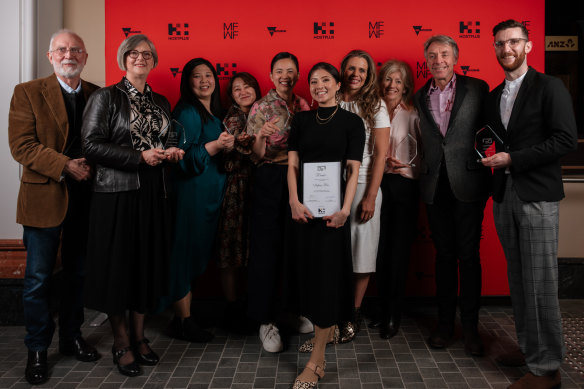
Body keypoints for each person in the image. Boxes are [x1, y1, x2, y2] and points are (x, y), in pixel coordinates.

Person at [482, 20, 577, 389]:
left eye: (514, 42)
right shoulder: (493, 96)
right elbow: (493, 142)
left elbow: (566, 139)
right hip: (504, 197)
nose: (507, 49)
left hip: (537, 197)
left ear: (529, 46)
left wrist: (513, 159)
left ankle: (547, 368)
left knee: (540, 283)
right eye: (500, 44)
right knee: (519, 281)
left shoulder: (549, 86)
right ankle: (530, 348)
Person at [82, 34, 184, 377]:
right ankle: (121, 341)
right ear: (123, 59)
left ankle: (141, 338)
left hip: (153, 193)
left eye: (146, 54)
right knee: (118, 269)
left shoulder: (162, 102)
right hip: (116, 194)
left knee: (145, 264)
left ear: (153, 61)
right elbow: (92, 146)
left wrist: (172, 153)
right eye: (133, 53)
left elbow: (166, 140)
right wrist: (138, 156)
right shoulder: (105, 97)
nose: (140, 58)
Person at [8, 29, 100, 385]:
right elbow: (22, 145)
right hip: (44, 196)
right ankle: (37, 349)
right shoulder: (27, 92)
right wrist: (65, 164)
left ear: (85, 57)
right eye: (61, 49)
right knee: (37, 280)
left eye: (76, 49)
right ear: (50, 56)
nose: (69, 54)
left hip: (86, 198)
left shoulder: (97, 94)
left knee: (78, 275)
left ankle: (72, 337)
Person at [286, 62, 365, 388]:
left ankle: (316, 360)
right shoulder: (301, 120)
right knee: (309, 277)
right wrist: (293, 200)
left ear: (337, 85)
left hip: (334, 216)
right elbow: (292, 165)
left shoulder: (352, 122)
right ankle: (324, 332)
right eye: (314, 81)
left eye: (325, 80)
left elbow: (353, 171)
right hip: (303, 212)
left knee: (327, 280)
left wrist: (346, 210)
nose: (319, 86)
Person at [413, 35, 491, 355]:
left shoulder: (477, 88)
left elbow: (491, 129)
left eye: (444, 54)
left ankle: (471, 328)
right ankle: (445, 325)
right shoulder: (419, 96)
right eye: (432, 56)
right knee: (444, 257)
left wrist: (483, 154)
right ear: (426, 61)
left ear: (456, 58)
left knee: (469, 256)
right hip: (434, 185)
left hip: (468, 183)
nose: (439, 60)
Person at [164, 58, 234, 342]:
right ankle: (182, 322)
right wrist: (215, 146)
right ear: (187, 82)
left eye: (209, 75)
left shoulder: (214, 112)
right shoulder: (188, 112)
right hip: (191, 195)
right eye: (196, 76)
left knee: (196, 256)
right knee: (183, 255)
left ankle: (186, 315)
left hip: (209, 197)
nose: (204, 80)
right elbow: (179, 160)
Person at [246, 52, 311, 353]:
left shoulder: (303, 105)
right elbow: (256, 156)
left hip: (299, 180)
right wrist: (260, 135)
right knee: (267, 251)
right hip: (270, 179)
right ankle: (265, 321)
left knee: (294, 249)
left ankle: (288, 311)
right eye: (280, 71)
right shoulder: (261, 106)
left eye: (291, 71)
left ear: (297, 75)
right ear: (271, 75)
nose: (285, 75)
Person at [338, 50, 390, 342]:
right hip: (333, 185)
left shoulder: (376, 105)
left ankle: (353, 313)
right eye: (351, 68)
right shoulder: (330, 99)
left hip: (364, 185)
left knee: (362, 252)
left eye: (362, 70)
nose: (356, 74)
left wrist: (371, 196)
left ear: (369, 75)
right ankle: (331, 309)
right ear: (342, 70)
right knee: (333, 250)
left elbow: (381, 154)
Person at [370, 60, 421, 339]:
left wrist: (406, 166)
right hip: (376, 186)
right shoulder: (371, 111)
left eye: (398, 81)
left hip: (402, 186)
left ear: (406, 86)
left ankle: (393, 315)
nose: (392, 85)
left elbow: (426, 156)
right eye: (388, 79)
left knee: (398, 252)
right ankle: (379, 308)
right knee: (377, 250)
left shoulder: (414, 114)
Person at [216, 72, 261, 331]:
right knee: (231, 246)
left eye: (247, 86)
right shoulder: (231, 117)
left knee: (255, 247)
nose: (243, 92)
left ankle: (254, 305)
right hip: (236, 187)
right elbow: (238, 147)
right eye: (236, 89)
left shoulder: (266, 109)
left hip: (261, 185)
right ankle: (232, 308)